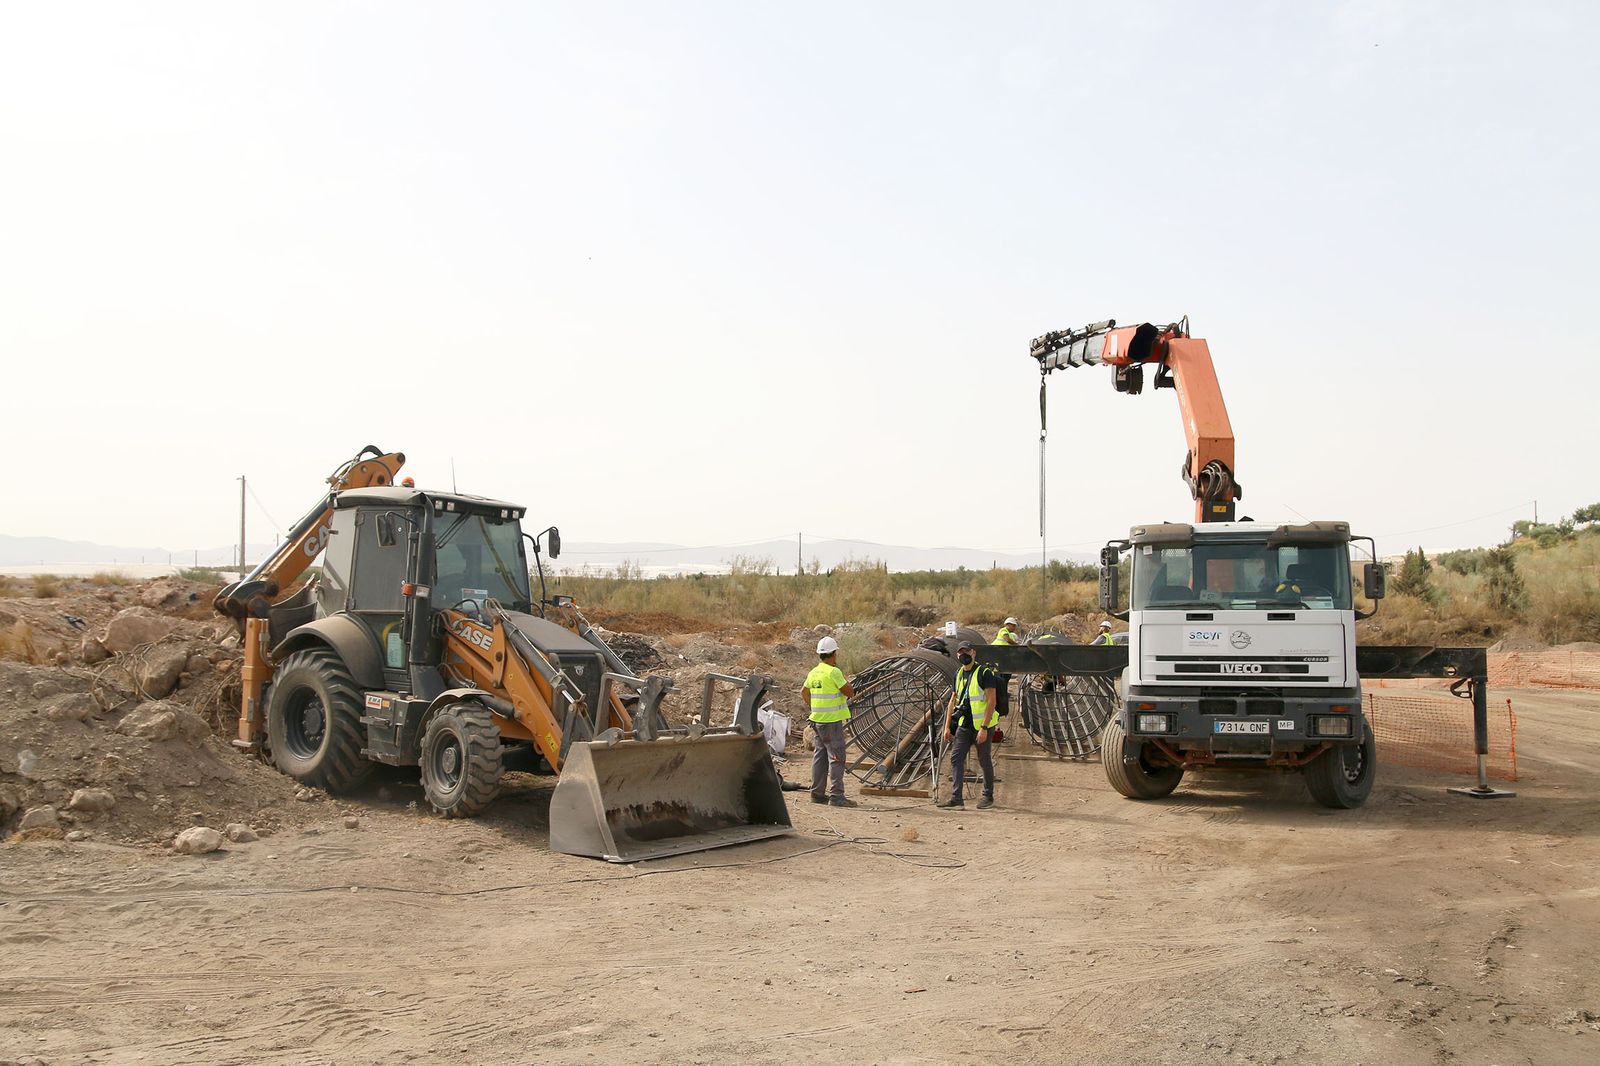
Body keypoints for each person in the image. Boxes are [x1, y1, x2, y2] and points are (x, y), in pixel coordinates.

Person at [937, 640, 998, 810]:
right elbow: (952, 701)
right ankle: (957, 798)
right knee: (956, 758)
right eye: (961, 652)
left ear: (973, 653)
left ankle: (988, 795)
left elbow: (992, 701)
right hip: (964, 725)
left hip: (982, 726)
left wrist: (984, 728)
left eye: (967, 651)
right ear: (957, 655)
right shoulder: (958, 674)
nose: (964, 655)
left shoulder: (984, 673)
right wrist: (947, 726)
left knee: (984, 759)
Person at [803, 636, 858, 808]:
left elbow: (804, 692)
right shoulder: (833, 672)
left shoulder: (814, 672)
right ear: (834, 654)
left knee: (820, 757)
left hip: (817, 721)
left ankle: (817, 794)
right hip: (832, 723)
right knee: (836, 757)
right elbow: (849, 692)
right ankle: (836, 796)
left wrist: (815, 707)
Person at [989, 617, 1022, 739]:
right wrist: (1016, 644)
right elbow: (1007, 639)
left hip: (1000, 659)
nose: (1014, 628)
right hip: (996, 658)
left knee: (1003, 681)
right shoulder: (1004, 631)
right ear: (1008, 624)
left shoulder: (1009, 634)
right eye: (1013, 626)